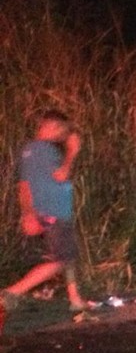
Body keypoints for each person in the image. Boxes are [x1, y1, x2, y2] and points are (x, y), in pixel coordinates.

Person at [2, 109, 87, 312]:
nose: (63, 137)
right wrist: (72, 152)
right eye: (62, 131)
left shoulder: (28, 150)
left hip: (44, 211)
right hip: (54, 211)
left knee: (66, 254)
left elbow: (23, 185)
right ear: (51, 127)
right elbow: (61, 176)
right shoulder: (48, 151)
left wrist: (28, 213)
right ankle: (11, 292)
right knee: (60, 259)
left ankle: (75, 299)